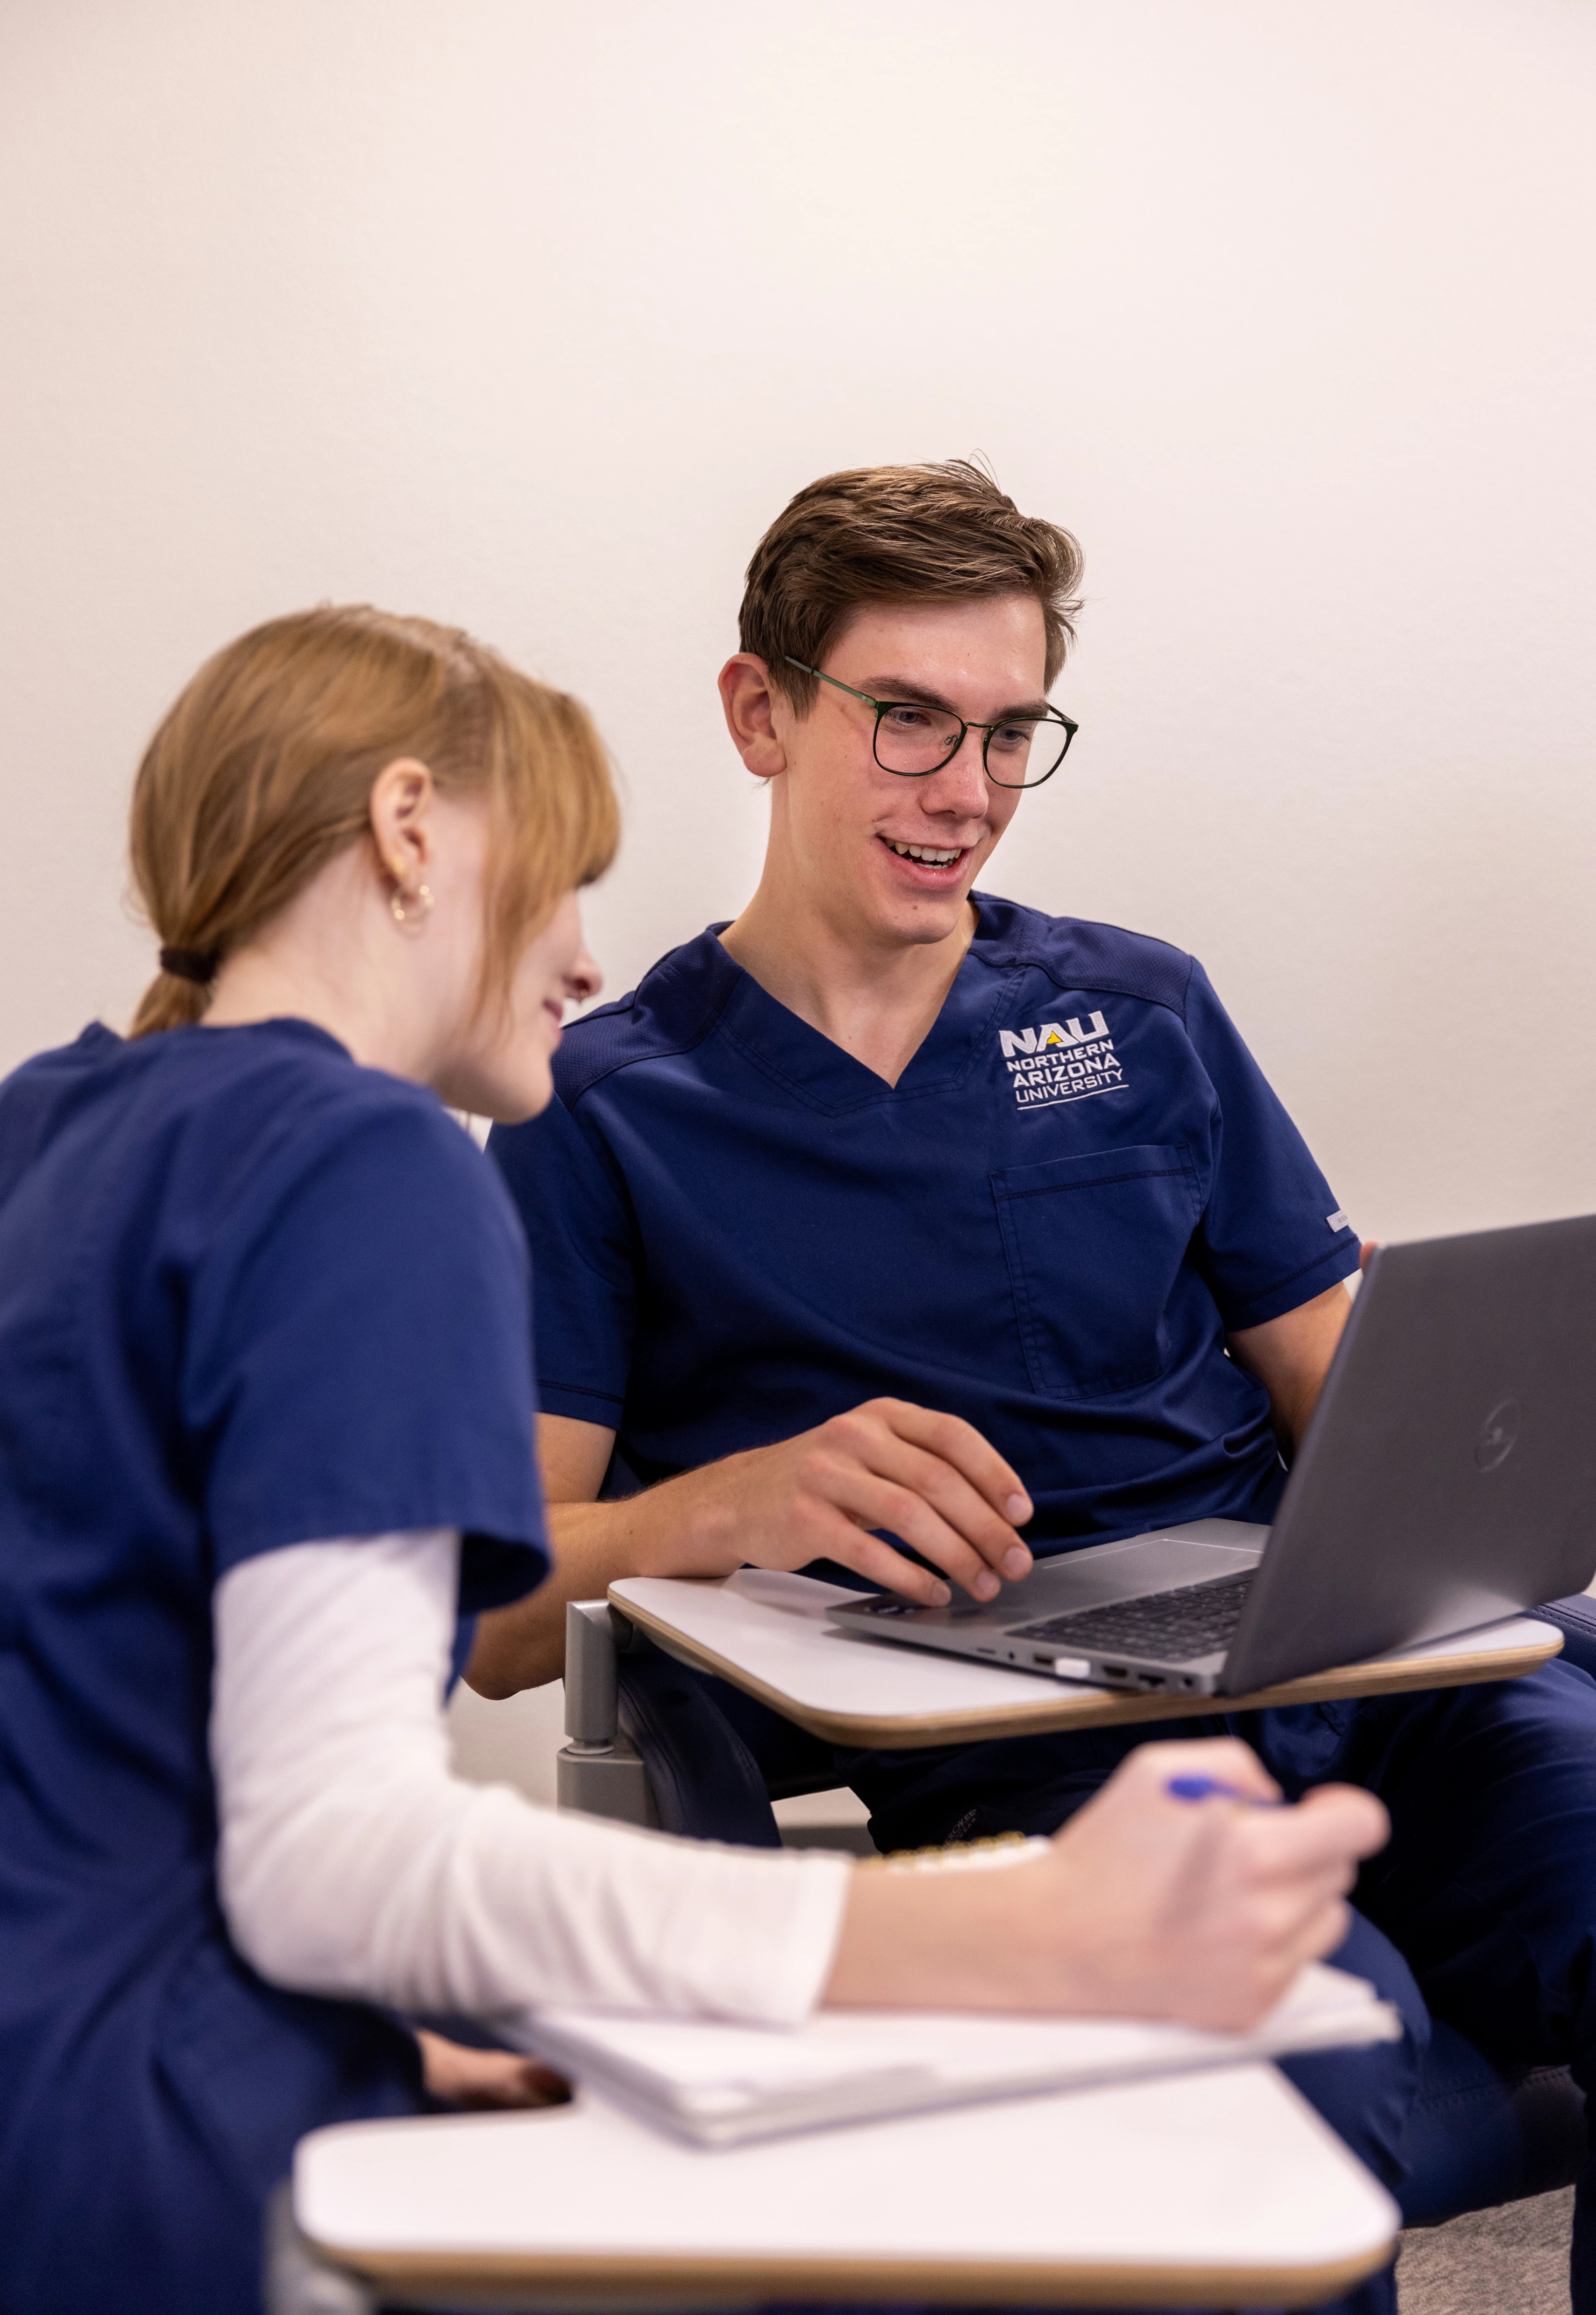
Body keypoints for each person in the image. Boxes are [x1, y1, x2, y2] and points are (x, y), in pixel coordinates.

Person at [0, 604, 1385, 2315]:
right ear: (410, 831)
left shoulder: (50, 1126)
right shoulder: (367, 1161)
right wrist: (1000, 1938)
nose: (584, 959)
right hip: (163, 2166)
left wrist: (391, 2021)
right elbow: (340, 1861)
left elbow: (121, 1746)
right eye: (564, 878)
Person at [481, 463, 1596, 2314]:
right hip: (1015, 1743)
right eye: (907, 720)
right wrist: (727, 1504)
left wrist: (1480, 1446)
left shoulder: (1138, 1011)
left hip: (1332, 1658)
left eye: (1009, 734)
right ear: (759, 710)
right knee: (1314, 2039)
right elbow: (495, 1607)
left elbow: (1352, 1402)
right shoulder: (605, 1108)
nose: (967, 792)